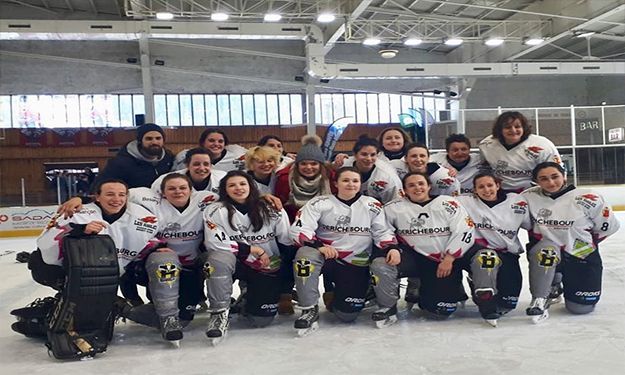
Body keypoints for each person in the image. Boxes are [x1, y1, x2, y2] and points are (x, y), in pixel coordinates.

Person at [12, 180, 165, 350]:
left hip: (109, 276)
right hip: (66, 272)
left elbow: (150, 243)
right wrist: (78, 230)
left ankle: (51, 315)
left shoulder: (143, 218)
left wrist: (160, 249)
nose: (116, 199)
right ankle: (51, 315)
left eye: (121, 194)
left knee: (103, 329)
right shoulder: (77, 212)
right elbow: (46, 243)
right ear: (97, 197)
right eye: (109, 194)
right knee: (76, 293)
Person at [289, 167, 398, 335]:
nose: (350, 184)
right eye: (345, 180)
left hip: (356, 261)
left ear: (360, 184)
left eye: (355, 181)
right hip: (326, 256)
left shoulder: (372, 205)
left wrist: (391, 247)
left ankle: (368, 293)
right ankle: (308, 309)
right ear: (335, 183)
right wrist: (319, 246)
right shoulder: (320, 203)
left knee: (347, 315)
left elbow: (382, 232)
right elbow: (299, 230)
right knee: (305, 257)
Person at [370, 172, 474, 327]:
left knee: (440, 311)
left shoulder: (448, 203)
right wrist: (392, 248)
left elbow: (465, 229)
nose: (417, 188)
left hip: (443, 262)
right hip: (414, 258)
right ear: (404, 190)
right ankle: (387, 307)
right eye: (411, 185)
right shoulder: (393, 208)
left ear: (429, 186)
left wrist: (450, 258)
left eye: (420, 183)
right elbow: (383, 229)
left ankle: (438, 291)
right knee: (381, 264)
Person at [201, 171, 294, 344]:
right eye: (232, 185)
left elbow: (286, 241)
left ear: (251, 186)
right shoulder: (215, 210)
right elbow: (215, 243)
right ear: (224, 190)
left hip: (266, 265)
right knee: (217, 260)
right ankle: (219, 313)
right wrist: (251, 249)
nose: (238, 188)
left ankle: (247, 299)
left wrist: (283, 282)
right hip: (236, 261)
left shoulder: (270, 207)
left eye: (242, 184)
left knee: (261, 319)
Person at [521, 162, 620, 322]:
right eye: (544, 179)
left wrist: (584, 245)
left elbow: (608, 227)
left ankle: (558, 279)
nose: (551, 182)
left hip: (581, 254)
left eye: (555, 177)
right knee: (545, 253)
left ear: (564, 176)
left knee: (580, 308)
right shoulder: (528, 197)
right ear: (536, 181)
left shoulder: (589, 198)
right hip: (548, 252)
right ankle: (544, 293)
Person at [456, 172, 531, 326]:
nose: (486, 190)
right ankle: (485, 300)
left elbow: (533, 225)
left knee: (508, 303)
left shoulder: (516, 202)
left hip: (506, 254)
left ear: (497, 185)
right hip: (476, 253)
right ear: (474, 190)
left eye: (490, 185)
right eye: (481, 187)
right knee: (485, 259)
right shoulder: (464, 202)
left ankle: (477, 280)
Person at [273, 134, 334, 314]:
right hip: (294, 227)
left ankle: (330, 292)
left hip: (324, 226)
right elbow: (280, 205)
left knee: (331, 253)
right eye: (304, 163)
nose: (309, 167)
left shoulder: (330, 177)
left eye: (314, 163)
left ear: (320, 165)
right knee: (289, 254)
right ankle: (285, 294)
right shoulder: (285, 178)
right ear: (297, 164)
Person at [479, 111, 561, 193]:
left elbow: (557, 169)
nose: (513, 130)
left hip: (534, 191)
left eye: (517, 126)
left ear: (524, 128)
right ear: (500, 130)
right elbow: (484, 168)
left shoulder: (542, 144)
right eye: (508, 127)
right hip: (500, 192)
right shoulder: (486, 145)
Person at [95, 123, 174, 189]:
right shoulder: (120, 163)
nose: (154, 142)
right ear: (140, 141)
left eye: (158, 138)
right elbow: (99, 186)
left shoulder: (169, 158)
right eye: (149, 139)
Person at [341, 135, 402, 204]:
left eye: (373, 155)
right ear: (355, 155)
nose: (368, 159)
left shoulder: (388, 176)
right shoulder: (342, 165)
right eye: (364, 154)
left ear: (377, 155)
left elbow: (396, 202)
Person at [394, 143, 460, 196]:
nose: (418, 159)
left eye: (422, 156)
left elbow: (453, 197)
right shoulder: (396, 168)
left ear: (428, 158)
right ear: (405, 159)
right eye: (413, 156)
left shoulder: (443, 176)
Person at [152, 148, 226, 195]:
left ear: (211, 165)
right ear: (187, 165)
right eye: (196, 164)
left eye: (206, 164)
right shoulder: (165, 180)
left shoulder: (223, 178)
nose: (202, 168)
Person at [173, 129, 247, 172]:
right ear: (202, 142)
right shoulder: (185, 156)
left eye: (220, 141)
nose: (216, 144)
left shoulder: (235, 159)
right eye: (211, 140)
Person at [334, 127, 411, 167]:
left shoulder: (412, 156)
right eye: (388, 138)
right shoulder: (374, 155)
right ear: (381, 142)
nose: (393, 141)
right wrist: (340, 157)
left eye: (397, 137)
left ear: (404, 140)